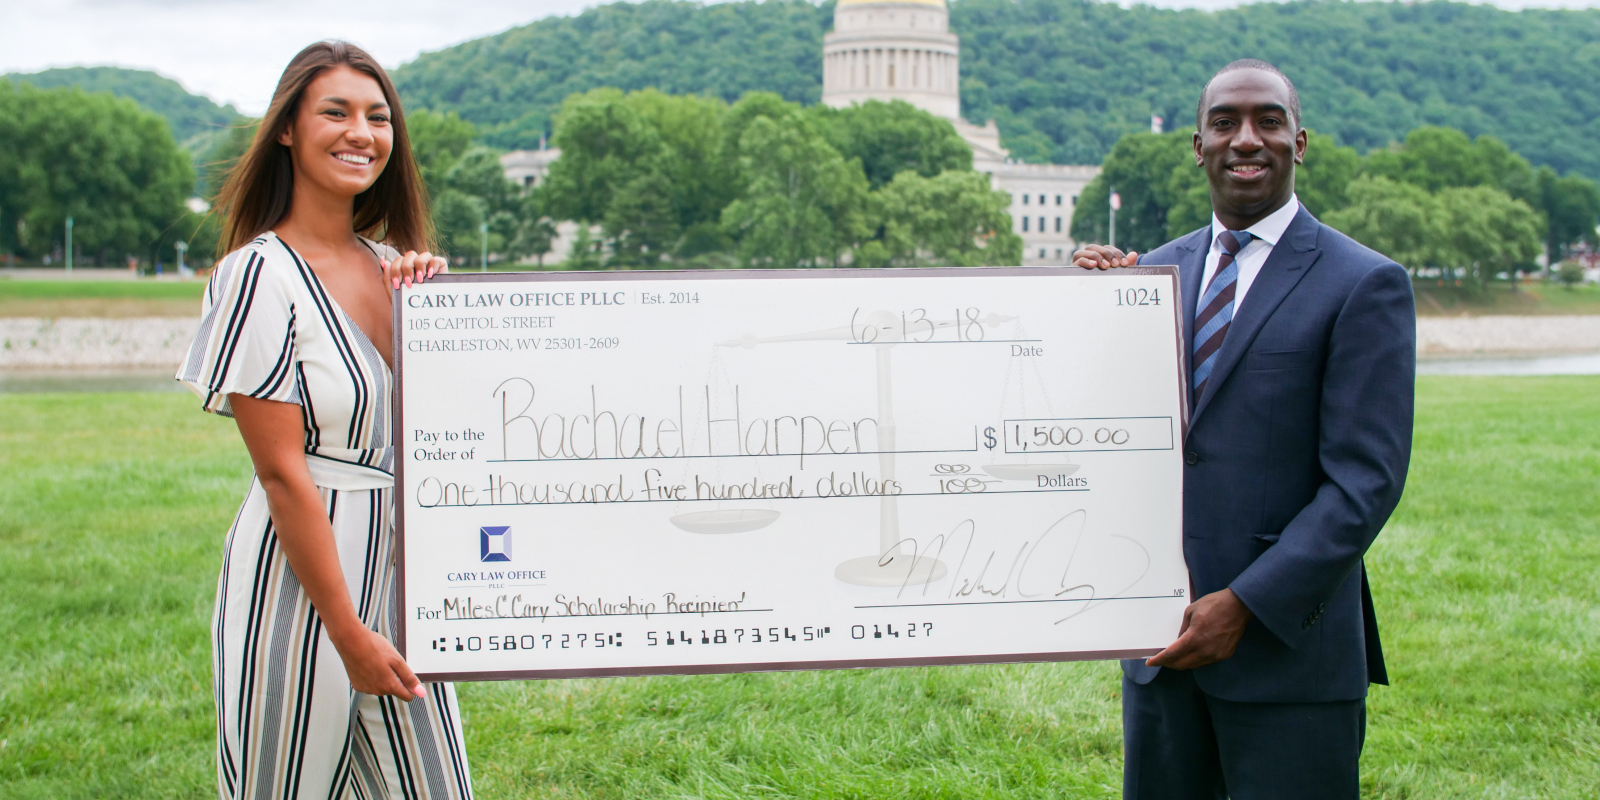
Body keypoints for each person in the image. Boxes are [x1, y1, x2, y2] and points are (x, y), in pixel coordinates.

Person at [1074, 59, 1415, 799]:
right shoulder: (1147, 277)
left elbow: (1365, 483)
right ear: (1198, 146)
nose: (1247, 139)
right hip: (1160, 650)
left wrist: (1247, 604)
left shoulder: (1363, 283)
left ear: (1300, 142)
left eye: (1269, 120)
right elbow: (1102, 435)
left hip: (1289, 656)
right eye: (1225, 123)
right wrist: (1081, 313)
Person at [176, 41, 470, 800]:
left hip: (403, 579)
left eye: (378, 117)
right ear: (287, 128)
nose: (361, 133)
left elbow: (455, 432)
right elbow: (282, 473)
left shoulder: (395, 269)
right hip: (298, 585)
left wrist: (442, 316)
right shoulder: (257, 275)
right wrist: (345, 630)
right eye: (335, 112)